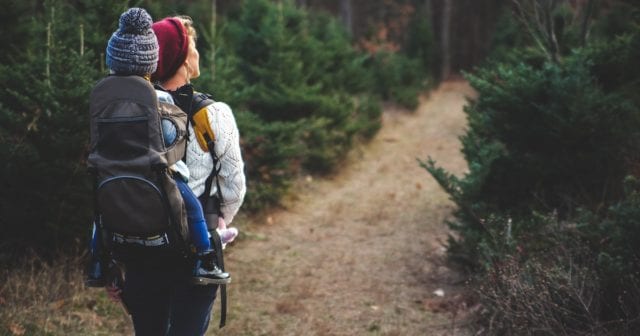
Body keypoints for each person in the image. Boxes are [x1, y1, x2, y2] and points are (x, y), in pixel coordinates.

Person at [114, 12, 246, 336]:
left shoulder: (131, 113)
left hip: (142, 246)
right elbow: (234, 185)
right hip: (194, 251)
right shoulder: (213, 114)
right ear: (184, 58)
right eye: (194, 46)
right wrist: (220, 221)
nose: (198, 52)